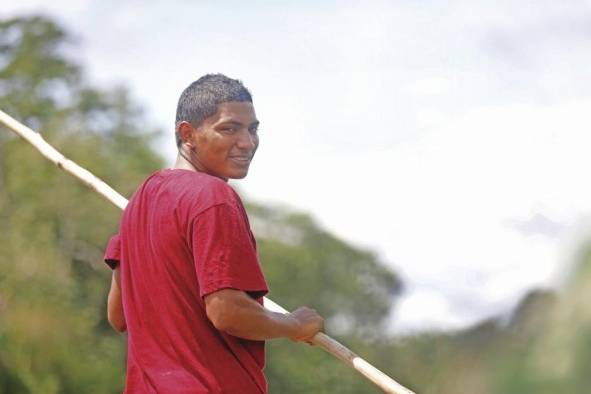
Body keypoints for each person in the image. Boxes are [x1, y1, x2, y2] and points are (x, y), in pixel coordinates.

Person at [103, 74, 324, 394]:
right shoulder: (212, 197)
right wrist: (294, 326)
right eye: (229, 128)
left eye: (253, 129)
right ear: (187, 134)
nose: (247, 142)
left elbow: (118, 315)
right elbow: (226, 310)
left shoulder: (140, 199)